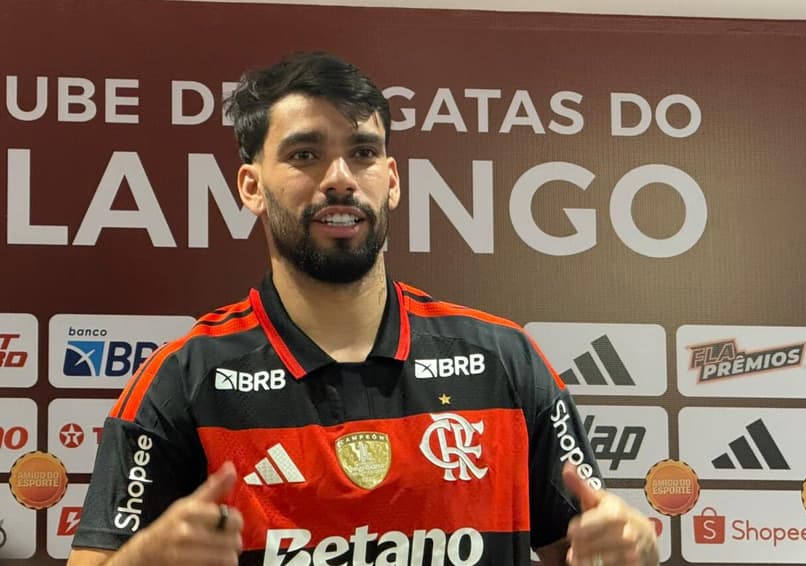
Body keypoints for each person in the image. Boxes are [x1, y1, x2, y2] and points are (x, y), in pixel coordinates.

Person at [68, 52, 659, 566]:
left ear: (393, 180)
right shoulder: (183, 378)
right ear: (251, 187)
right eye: (304, 154)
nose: (340, 179)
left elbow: (585, 547)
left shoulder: (503, 360)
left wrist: (632, 548)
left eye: (363, 153)